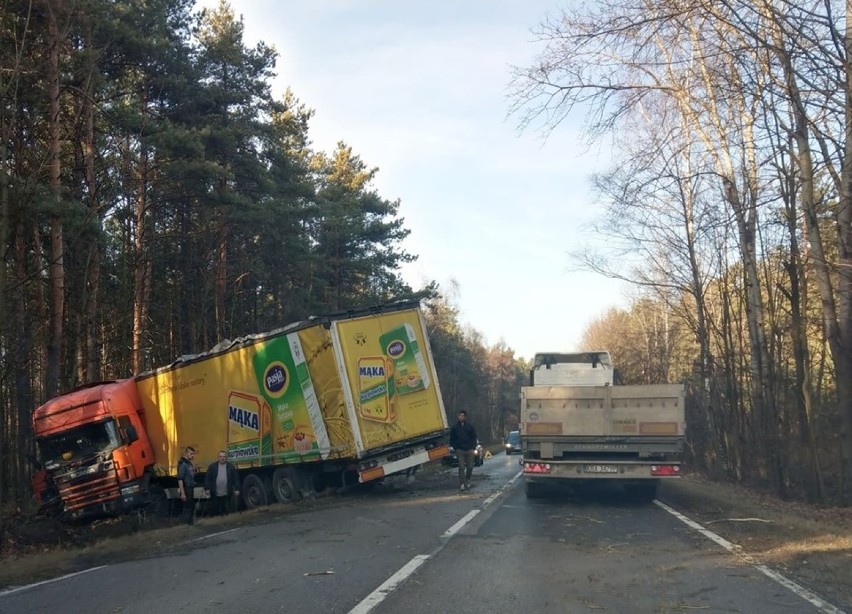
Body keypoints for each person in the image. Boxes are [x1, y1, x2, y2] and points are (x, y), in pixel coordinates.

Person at [449, 410, 477, 491]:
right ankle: (462, 484)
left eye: (462, 415)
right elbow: (452, 439)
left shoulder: (470, 427)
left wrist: (473, 447)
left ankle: (467, 480)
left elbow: (474, 437)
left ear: (465, 417)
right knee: (461, 467)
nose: (461, 417)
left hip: (469, 449)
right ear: (458, 417)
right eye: (460, 415)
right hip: (460, 450)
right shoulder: (454, 427)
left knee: (470, 467)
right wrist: (455, 447)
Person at [205, 450, 239, 516]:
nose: (222, 458)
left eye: (224, 456)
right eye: (221, 456)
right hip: (215, 493)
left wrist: (237, 489)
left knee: (226, 511)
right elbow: (207, 478)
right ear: (218, 457)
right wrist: (207, 488)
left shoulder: (231, 467)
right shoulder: (212, 467)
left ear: (226, 458)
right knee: (215, 511)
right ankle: (217, 524)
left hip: (227, 494)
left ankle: (226, 523)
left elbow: (236, 479)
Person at [177, 446, 197, 525]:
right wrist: (182, 493)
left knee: (191, 506)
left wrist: (195, 470)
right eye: (191, 454)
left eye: (194, 454)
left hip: (190, 487)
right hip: (186, 487)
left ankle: (190, 523)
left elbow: (191, 475)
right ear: (187, 453)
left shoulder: (189, 463)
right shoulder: (182, 463)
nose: (193, 456)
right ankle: (185, 524)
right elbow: (180, 479)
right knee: (187, 508)